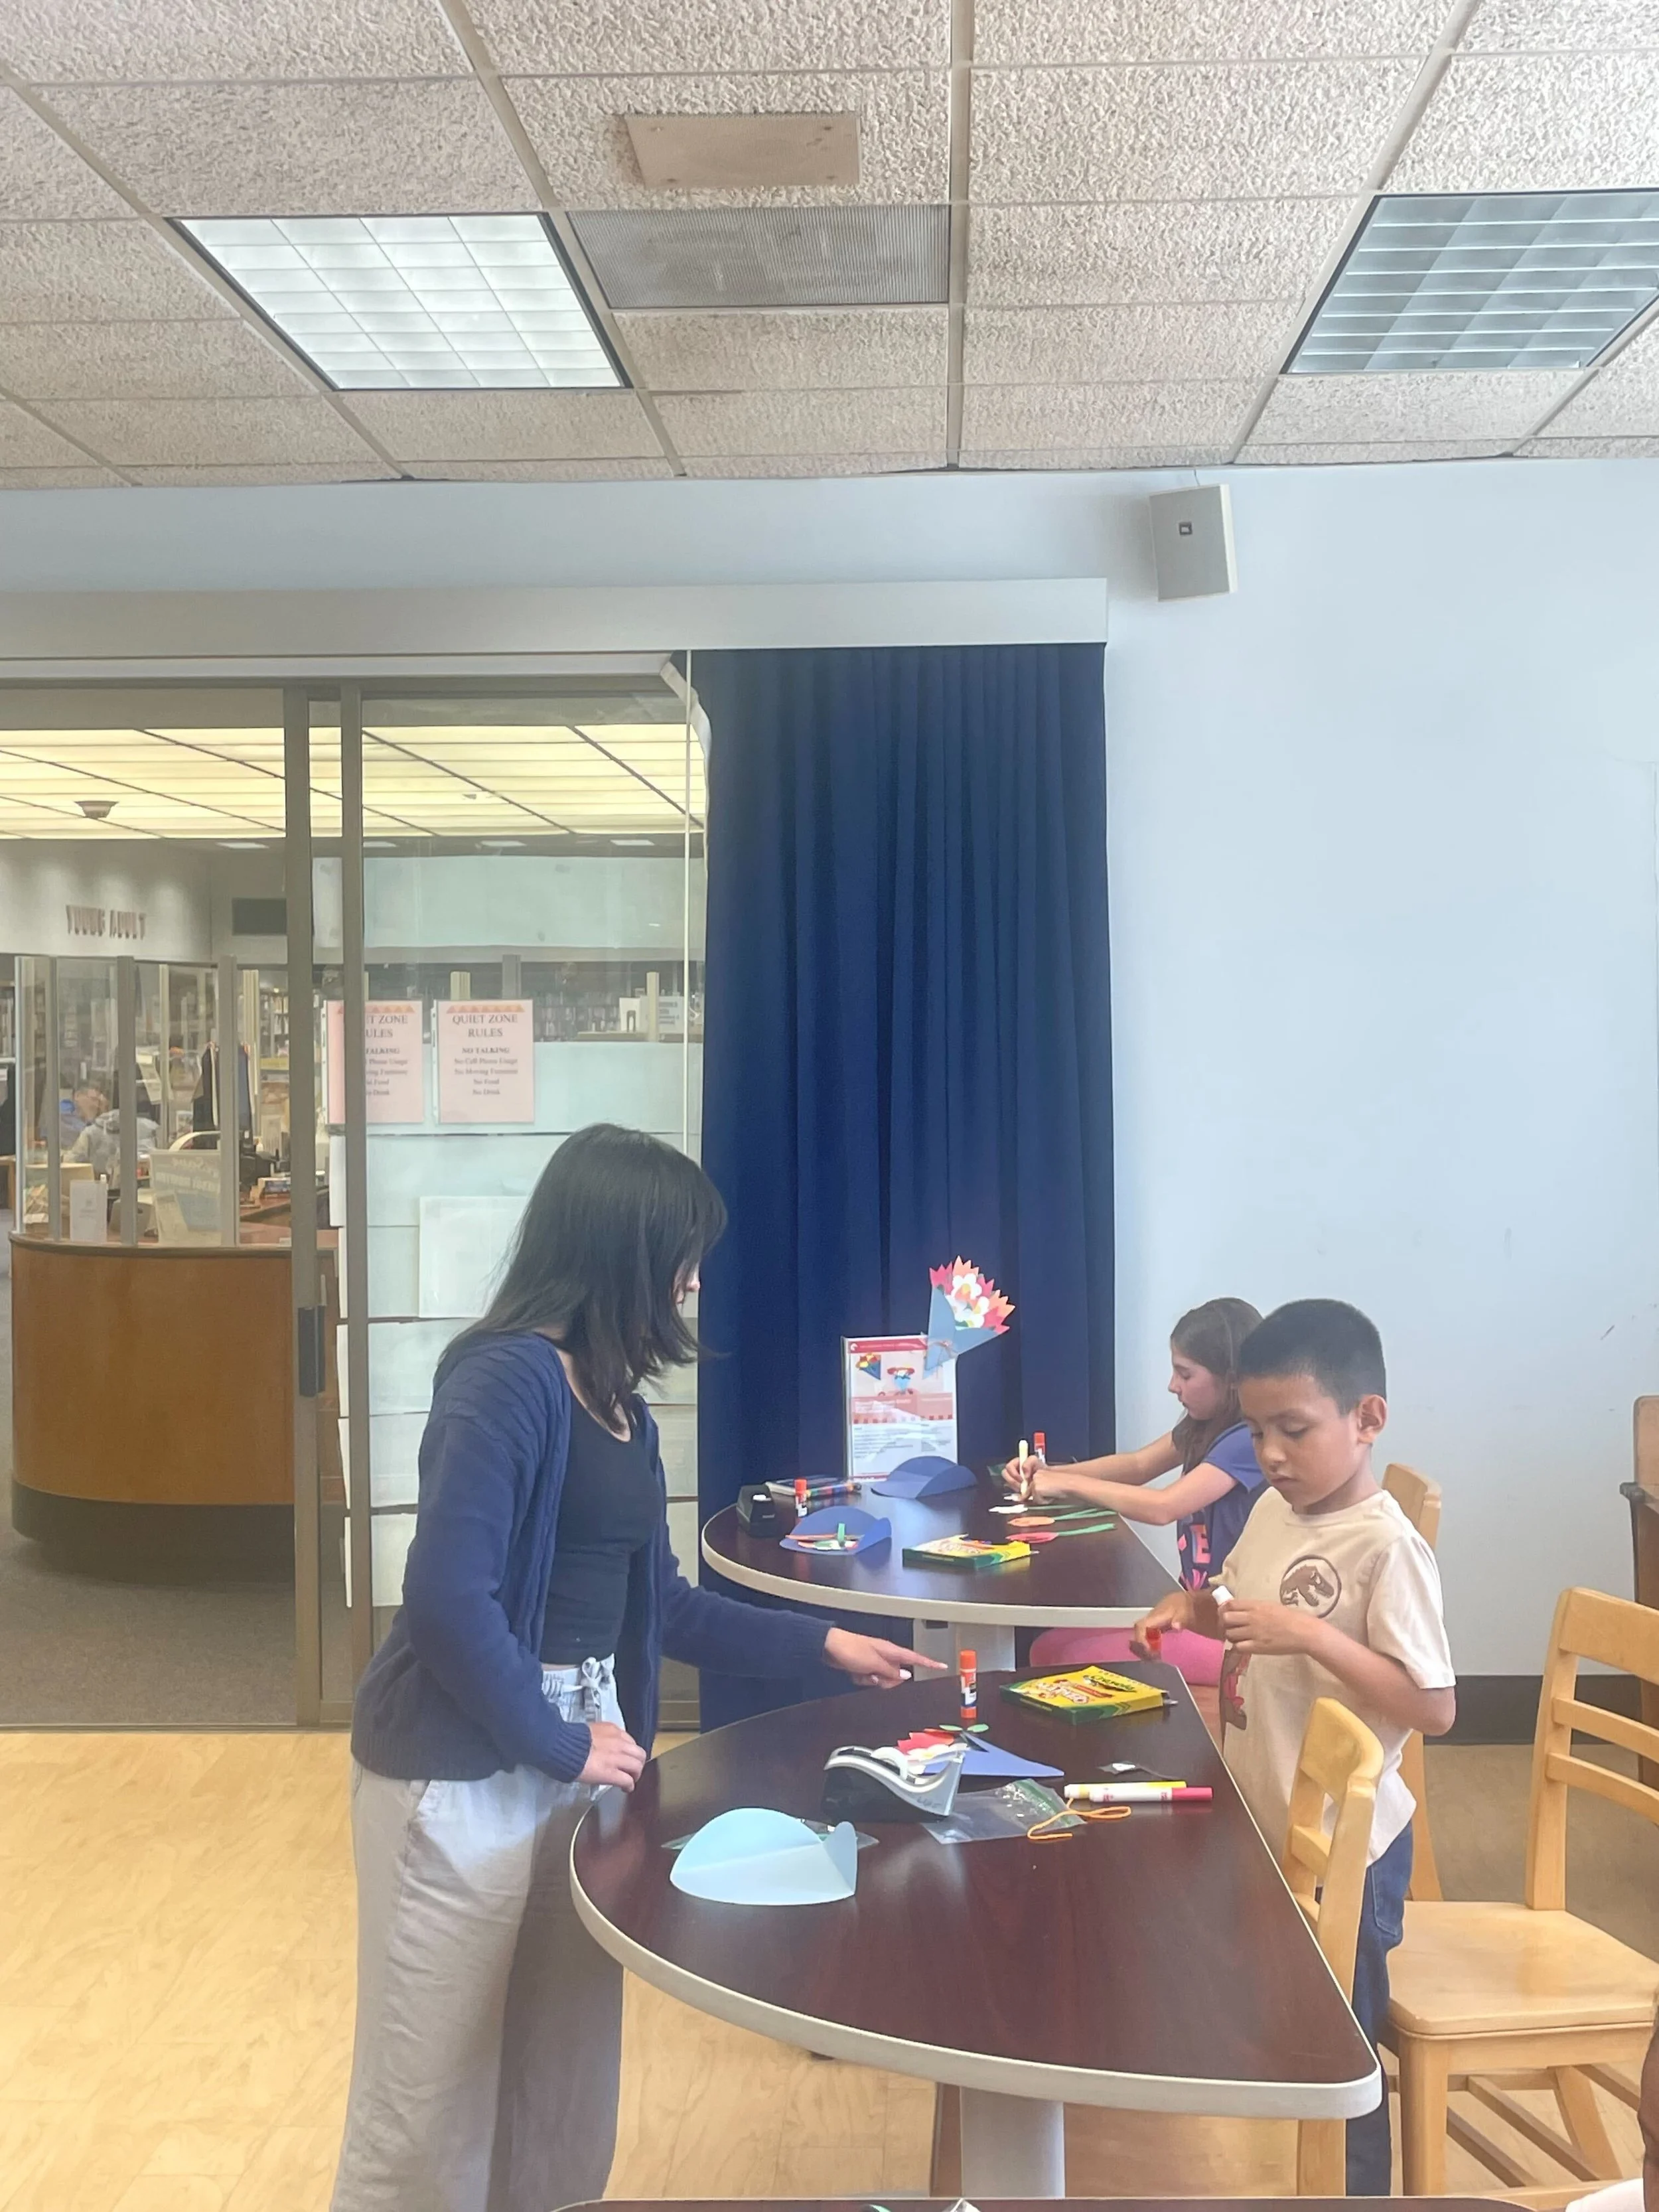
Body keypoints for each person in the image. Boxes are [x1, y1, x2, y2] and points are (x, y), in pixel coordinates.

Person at [331, 1124, 938, 2212]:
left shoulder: (620, 1403)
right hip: (466, 1763)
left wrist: (820, 1644)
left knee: (561, 2073)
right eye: (680, 1254)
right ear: (619, 1248)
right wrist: (556, 1734)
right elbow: (444, 1597)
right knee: (427, 2098)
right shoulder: (506, 1378)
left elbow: (655, 1601)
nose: (694, 1279)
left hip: (578, 1758)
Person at [1131, 1299, 1456, 2197]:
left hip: (1351, 1849)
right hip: (1271, 1815)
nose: (1272, 1453)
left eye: (1295, 1429)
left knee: (1340, 2044)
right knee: (1278, 2015)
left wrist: (1312, 1639)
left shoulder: (1385, 1547)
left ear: (1368, 1419)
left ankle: (1354, 2192)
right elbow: (1243, 1613)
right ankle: (1282, 2173)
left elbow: (1434, 1706)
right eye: (1259, 1430)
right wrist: (1188, 1610)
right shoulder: (1277, 1510)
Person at [1007, 1297, 1265, 1682]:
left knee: (1059, 1660)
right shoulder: (1202, 1426)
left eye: (1186, 1374)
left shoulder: (1246, 1439)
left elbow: (1164, 1508)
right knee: (1047, 1648)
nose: (1172, 1385)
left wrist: (1066, 1483)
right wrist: (1053, 1471)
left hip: (1228, 1634)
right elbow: (1139, 1466)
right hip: (1190, 1609)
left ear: (1230, 1379)